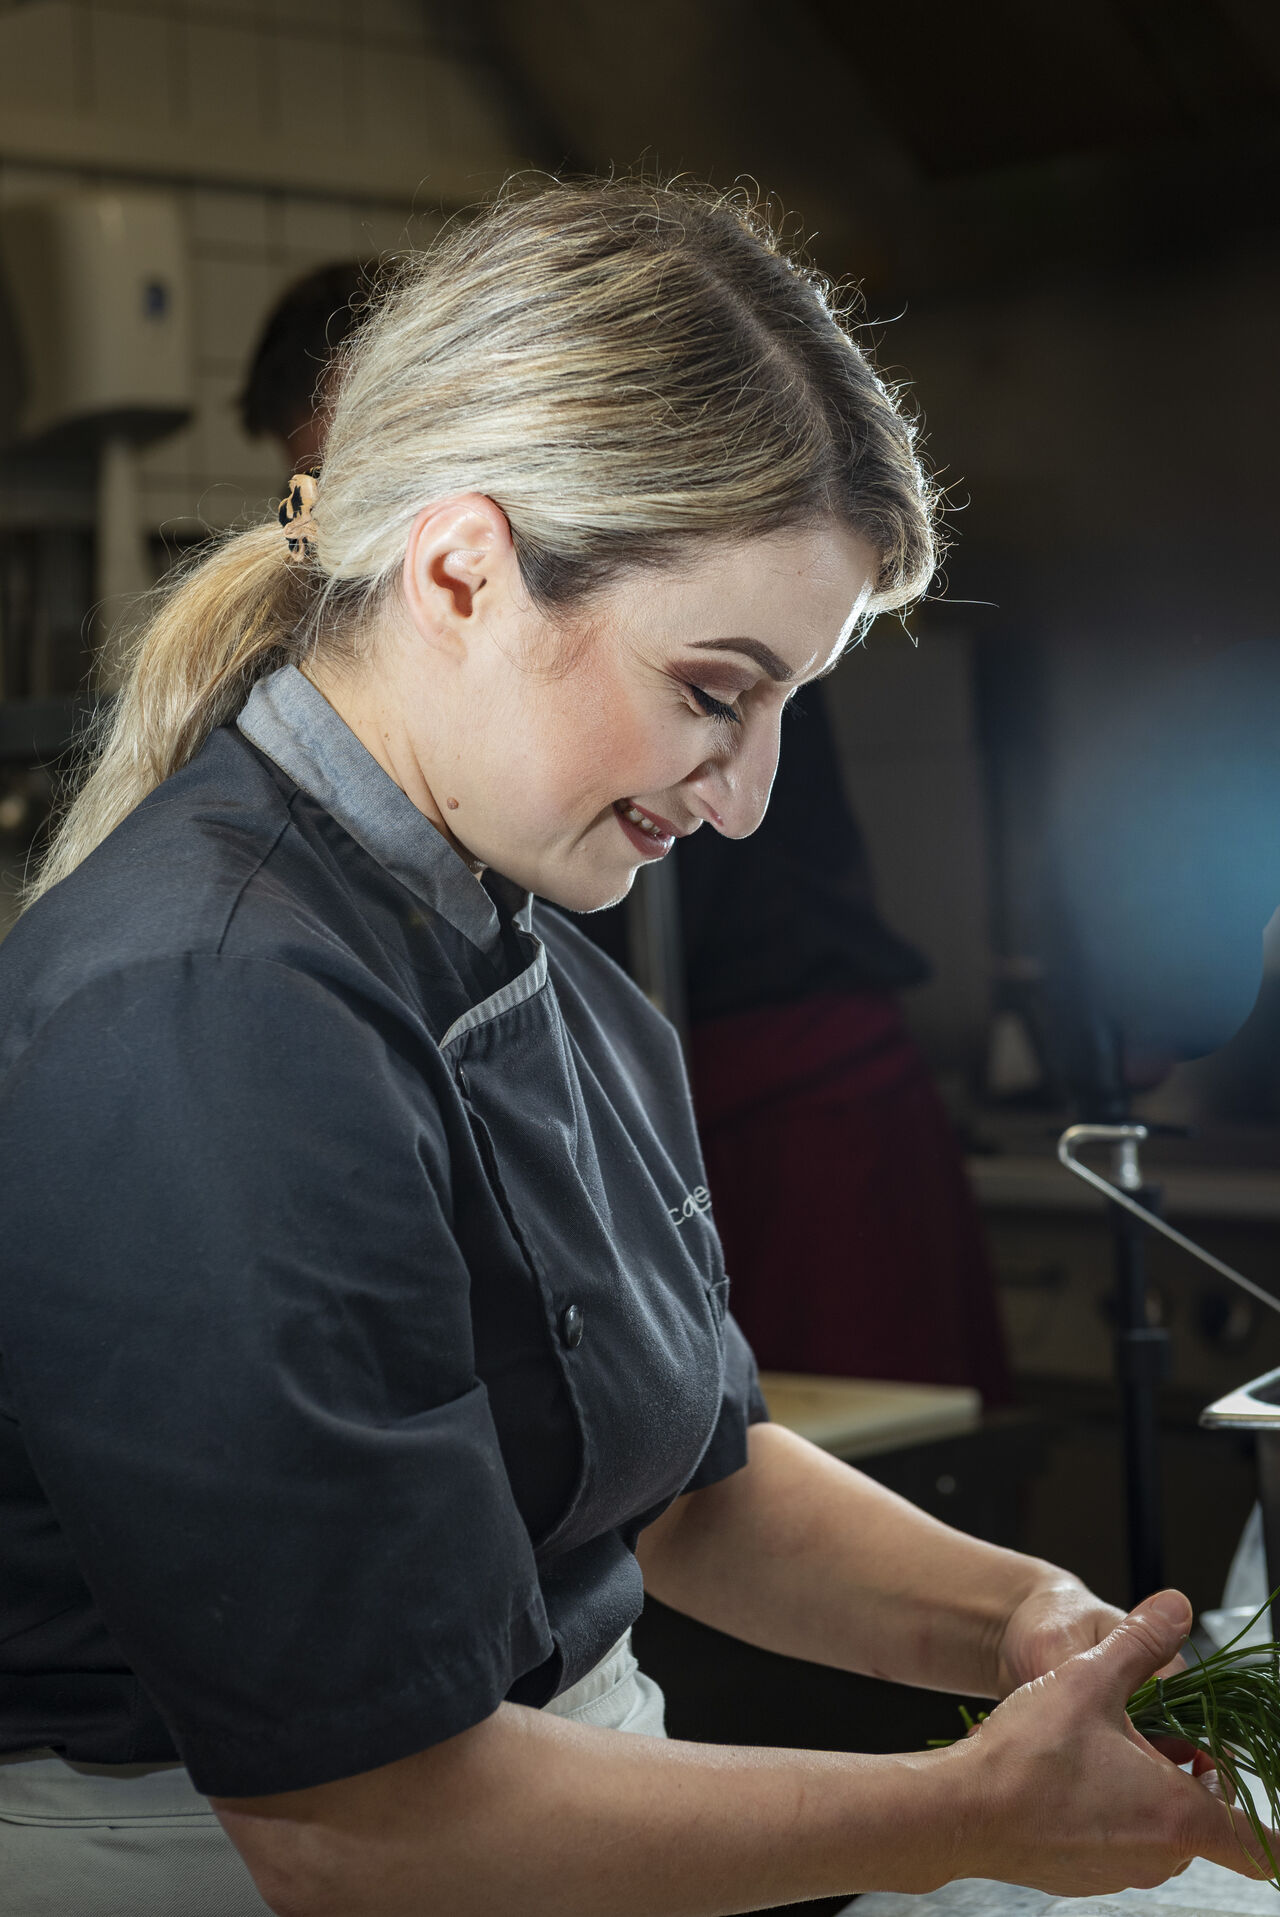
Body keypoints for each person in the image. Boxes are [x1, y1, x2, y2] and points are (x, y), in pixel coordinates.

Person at [0, 178, 1264, 1917]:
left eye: (785, 707)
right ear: (463, 570)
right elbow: (360, 1825)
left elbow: (695, 1492)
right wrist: (964, 1814)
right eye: (712, 692)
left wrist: (1024, 1619)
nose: (746, 800)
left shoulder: (541, 955)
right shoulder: (204, 1011)